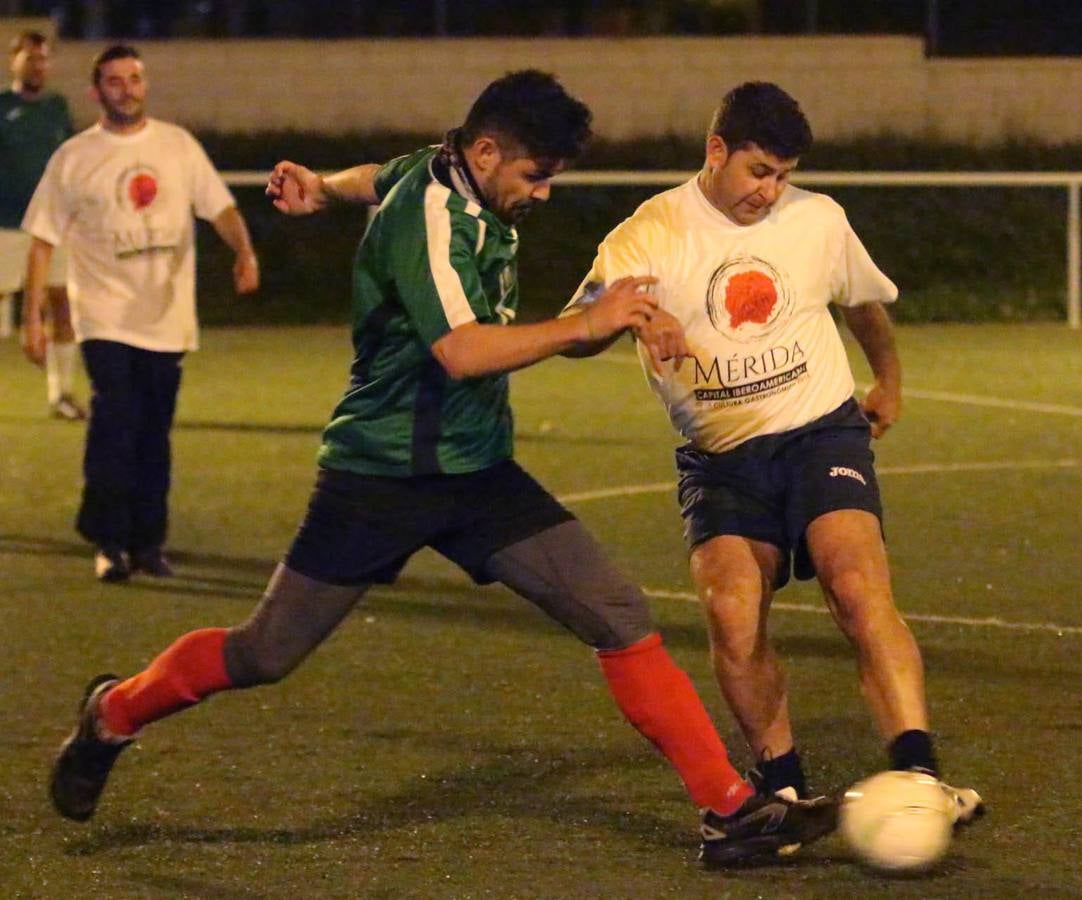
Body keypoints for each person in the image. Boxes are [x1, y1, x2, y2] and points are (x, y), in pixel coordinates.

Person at [48, 70, 834, 868]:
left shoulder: (442, 164)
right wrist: (581, 326)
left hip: (474, 472)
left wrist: (322, 186)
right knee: (264, 653)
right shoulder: (429, 213)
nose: (543, 195)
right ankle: (113, 713)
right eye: (535, 176)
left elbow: (374, 175)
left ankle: (728, 810)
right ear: (488, 152)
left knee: (617, 611)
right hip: (381, 475)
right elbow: (460, 352)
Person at [564, 82, 983, 825]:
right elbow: (579, 327)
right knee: (732, 611)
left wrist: (887, 378)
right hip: (722, 459)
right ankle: (784, 788)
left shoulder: (817, 220)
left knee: (854, 583)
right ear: (717, 150)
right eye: (760, 171)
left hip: (821, 433)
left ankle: (919, 777)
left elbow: (862, 303)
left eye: (784, 176)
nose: (772, 191)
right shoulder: (649, 232)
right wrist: (635, 315)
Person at [21, 44, 260, 582]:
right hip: (104, 318)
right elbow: (40, 241)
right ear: (95, 91)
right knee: (116, 423)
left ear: (144, 85)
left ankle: (149, 542)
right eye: (114, 80)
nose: (126, 88)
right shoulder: (75, 157)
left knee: (154, 433)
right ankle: (110, 542)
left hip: (167, 319)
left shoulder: (177, 146)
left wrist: (243, 250)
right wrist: (33, 318)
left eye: (134, 79)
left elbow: (220, 206)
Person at [0, 30, 83, 419]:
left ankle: (61, 395)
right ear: (13, 60)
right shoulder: (1, 105)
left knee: (61, 306)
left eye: (43, 58)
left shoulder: (56, 108)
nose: (38, 65)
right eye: (31, 58)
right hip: (6, 225)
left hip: (52, 227)